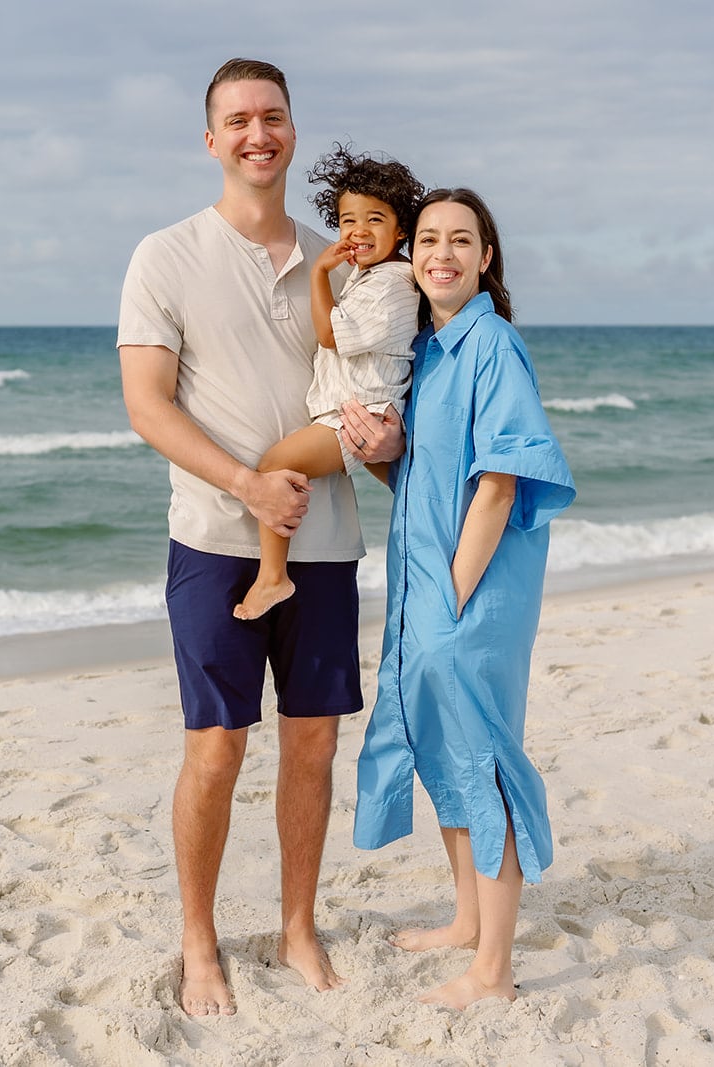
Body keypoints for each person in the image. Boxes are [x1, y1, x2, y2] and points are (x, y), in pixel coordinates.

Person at [116, 58, 404, 1018]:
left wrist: (385, 442)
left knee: (313, 744)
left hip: (323, 543)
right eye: (237, 120)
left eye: (272, 117)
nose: (257, 134)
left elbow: (369, 386)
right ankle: (199, 939)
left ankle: (296, 925)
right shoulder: (165, 255)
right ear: (211, 140)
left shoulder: (345, 259)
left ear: (292, 130)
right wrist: (245, 480)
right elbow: (145, 404)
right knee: (216, 746)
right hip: (211, 535)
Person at [348, 188, 576, 1009]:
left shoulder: (493, 346)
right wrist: (381, 455)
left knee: (484, 762)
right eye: (429, 240)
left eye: (461, 240)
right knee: (444, 752)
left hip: (471, 596)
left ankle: (494, 971)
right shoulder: (433, 350)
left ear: (486, 258)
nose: (442, 252)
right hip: (427, 591)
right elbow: (423, 481)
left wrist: (448, 600)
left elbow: (497, 484)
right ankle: (467, 920)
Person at [232, 145, 425, 621]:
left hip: (358, 417)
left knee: (277, 462)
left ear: (401, 229)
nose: (358, 232)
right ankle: (445, 532)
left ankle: (273, 577)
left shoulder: (392, 284)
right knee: (416, 490)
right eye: (347, 221)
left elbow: (329, 334)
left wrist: (320, 272)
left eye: (375, 220)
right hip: (356, 411)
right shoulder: (369, 277)